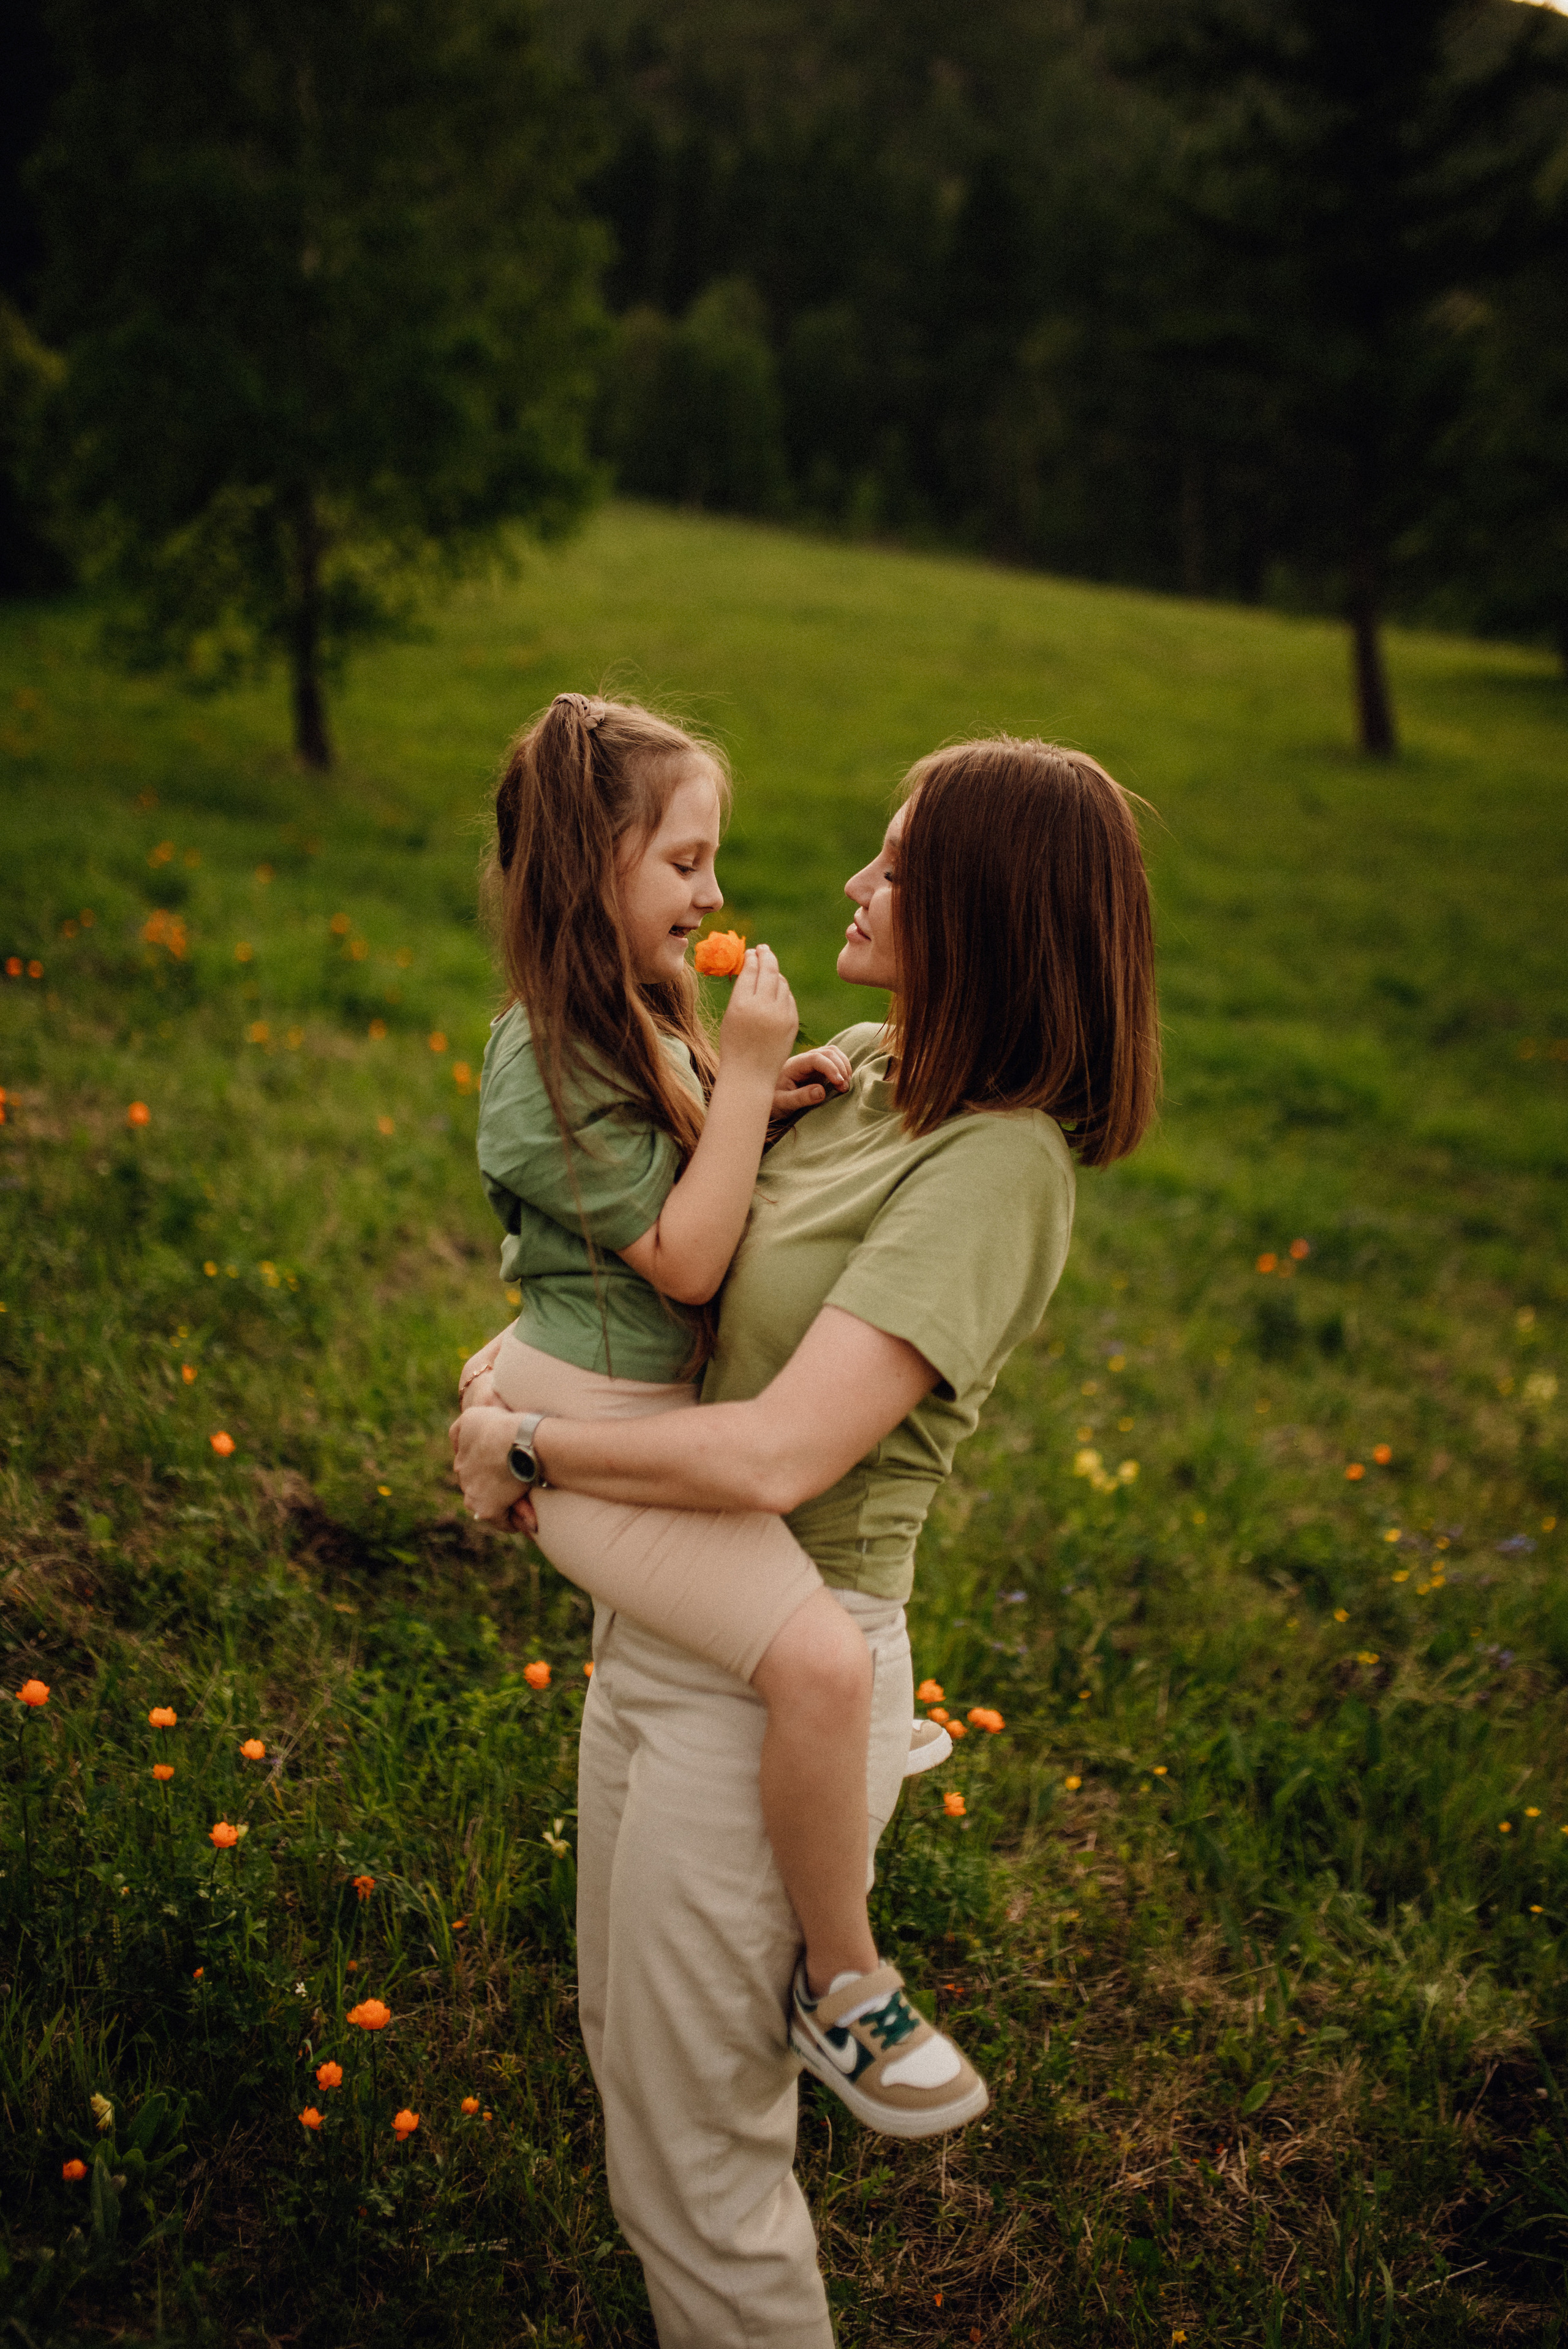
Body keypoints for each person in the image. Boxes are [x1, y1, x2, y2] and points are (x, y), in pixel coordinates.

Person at [454, 732, 1160, 2349]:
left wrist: (535, 1448)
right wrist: (521, 1365)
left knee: (710, 2166)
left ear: (982, 911)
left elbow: (781, 1450)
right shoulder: (865, 1065)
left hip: (780, 1662)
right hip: (667, 1611)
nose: (855, 880)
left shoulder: (997, 1164)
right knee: (636, 2070)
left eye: (900, 864)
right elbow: (657, 1273)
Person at [458, 690, 988, 2142]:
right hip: (600, 1417)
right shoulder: (544, 1060)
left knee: (815, 1665)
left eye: (711, 862)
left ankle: (852, 1749)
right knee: (815, 1665)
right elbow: (689, 1259)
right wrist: (748, 1077)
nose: (713, 894)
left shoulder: (638, 1018)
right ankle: (846, 1984)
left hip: (635, 1399)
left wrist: (770, 1095)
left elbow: (705, 1171)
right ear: (589, 874)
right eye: (684, 864)